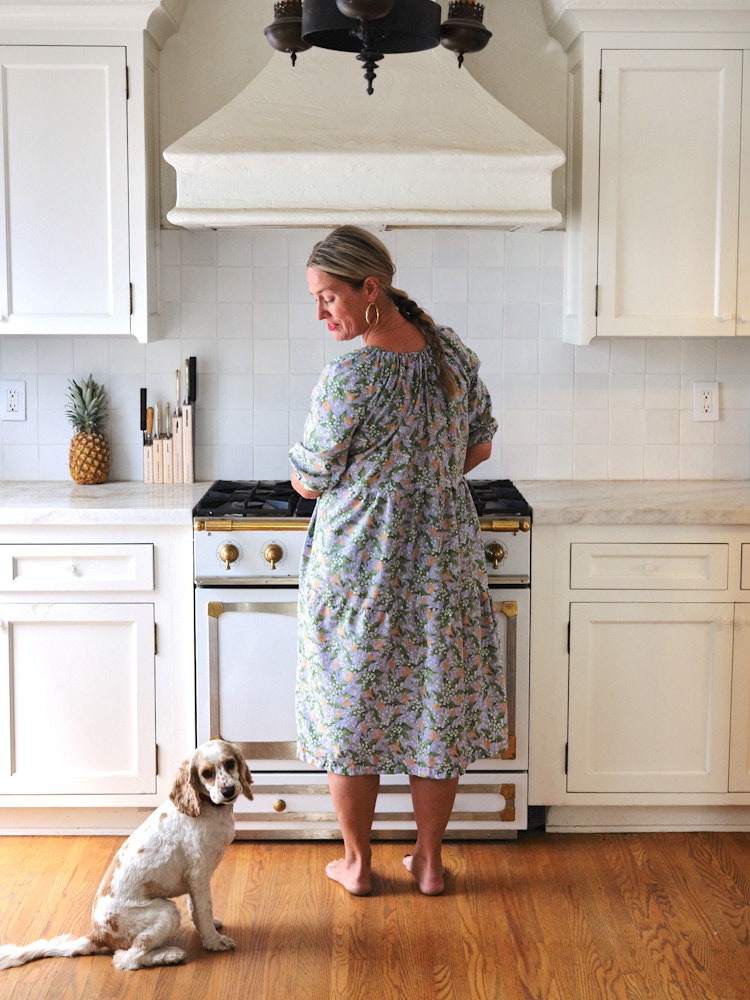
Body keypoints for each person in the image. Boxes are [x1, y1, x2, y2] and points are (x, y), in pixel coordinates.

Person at [289, 225, 507, 897]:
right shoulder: (452, 353)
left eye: (329, 297)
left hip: (360, 561)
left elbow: (309, 479)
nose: (322, 312)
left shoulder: (351, 377)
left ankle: (357, 866)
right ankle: (430, 862)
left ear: (370, 288)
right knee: (432, 702)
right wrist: (425, 477)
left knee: (350, 705)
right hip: (442, 556)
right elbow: (480, 448)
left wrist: (371, 484)